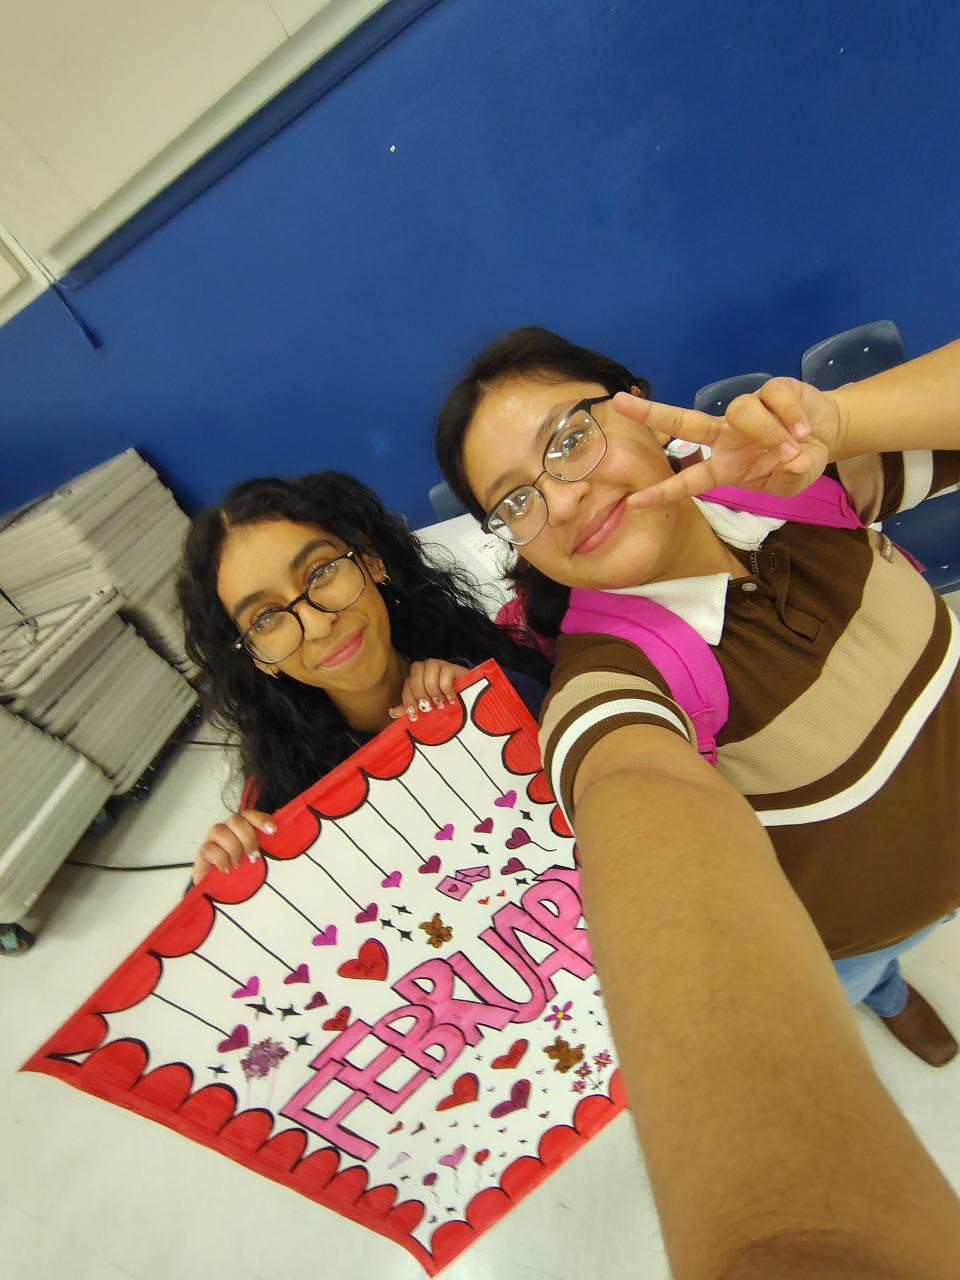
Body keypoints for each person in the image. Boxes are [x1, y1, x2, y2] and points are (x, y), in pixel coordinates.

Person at [435, 328, 960, 1278]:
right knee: (854, 980)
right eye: (515, 500)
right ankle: (884, 993)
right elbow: (635, 794)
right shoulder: (612, 681)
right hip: (852, 931)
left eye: (569, 439)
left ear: (640, 404)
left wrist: (842, 423)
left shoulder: (797, 487)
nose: (561, 499)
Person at [178, 471, 548, 885]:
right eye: (265, 618)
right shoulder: (284, 791)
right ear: (257, 657)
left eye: (320, 572)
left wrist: (489, 698)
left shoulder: (477, 650)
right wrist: (220, 879)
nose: (317, 625)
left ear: (370, 559)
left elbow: (568, 724)